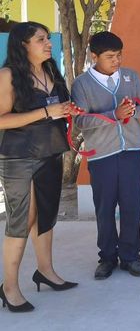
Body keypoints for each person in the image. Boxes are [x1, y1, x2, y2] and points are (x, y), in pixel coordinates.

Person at [0, 22, 78, 313]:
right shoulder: (8, 76)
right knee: (22, 220)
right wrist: (47, 112)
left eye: (47, 39)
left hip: (51, 153)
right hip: (20, 158)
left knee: (46, 215)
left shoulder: (51, 72)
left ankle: (45, 271)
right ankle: (9, 288)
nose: (48, 43)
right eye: (41, 39)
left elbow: (58, 109)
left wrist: (66, 111)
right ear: (23, 45)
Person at [72, 31, 140, 279]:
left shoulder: (130, 76)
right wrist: (113, 115)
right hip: (102, 156)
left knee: (131, 206)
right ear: (94, 57)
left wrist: (132, 111)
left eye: (119, 55)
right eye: (109, 56)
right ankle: (106, 258)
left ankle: (130, 256)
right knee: (105, 208)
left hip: (132, 152)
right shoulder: (81, 84)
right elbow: (81, 121)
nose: (116, 60)